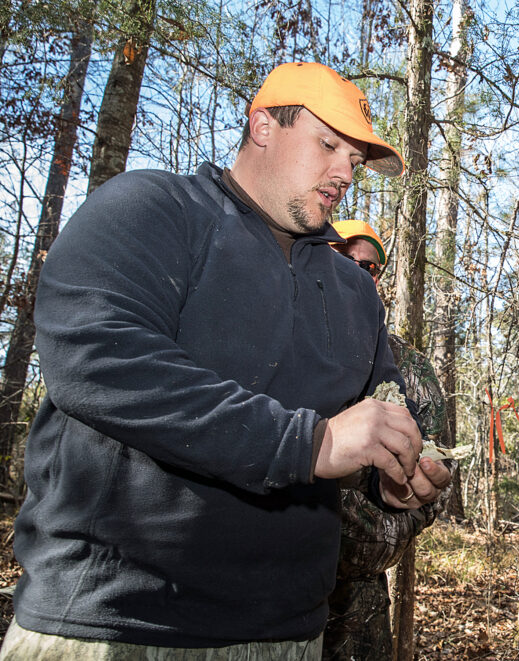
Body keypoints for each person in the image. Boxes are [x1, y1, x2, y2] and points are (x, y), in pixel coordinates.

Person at [0, 62, 451, 659]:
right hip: (113, 622)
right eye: (328, 144)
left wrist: (391, 480)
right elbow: (97, 357)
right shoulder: (153, 209)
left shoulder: (356, 293)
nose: (345, 171)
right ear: (263, 125)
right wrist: (308, 445)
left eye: (356, 160)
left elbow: (371, 428)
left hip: (291, 634)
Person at [322, 219, 453, 661]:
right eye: (345, 258)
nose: (359, 272)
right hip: (269, 593)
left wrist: (377, 540)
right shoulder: (283, 343)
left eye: (370, 267)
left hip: (358, 606)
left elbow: (436, 475)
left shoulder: (408, 367)